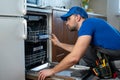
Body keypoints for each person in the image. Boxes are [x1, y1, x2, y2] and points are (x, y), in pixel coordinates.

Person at [38, 6, 120, 80]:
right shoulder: (90, 24)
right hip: (114, 56)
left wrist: (52, 70)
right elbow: (78, 49)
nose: (66, 23)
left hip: (117, 60)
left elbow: (75, 57)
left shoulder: (87, 24)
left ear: (77, 17)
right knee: (86, 51)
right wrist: (59, 44)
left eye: (68, 19)